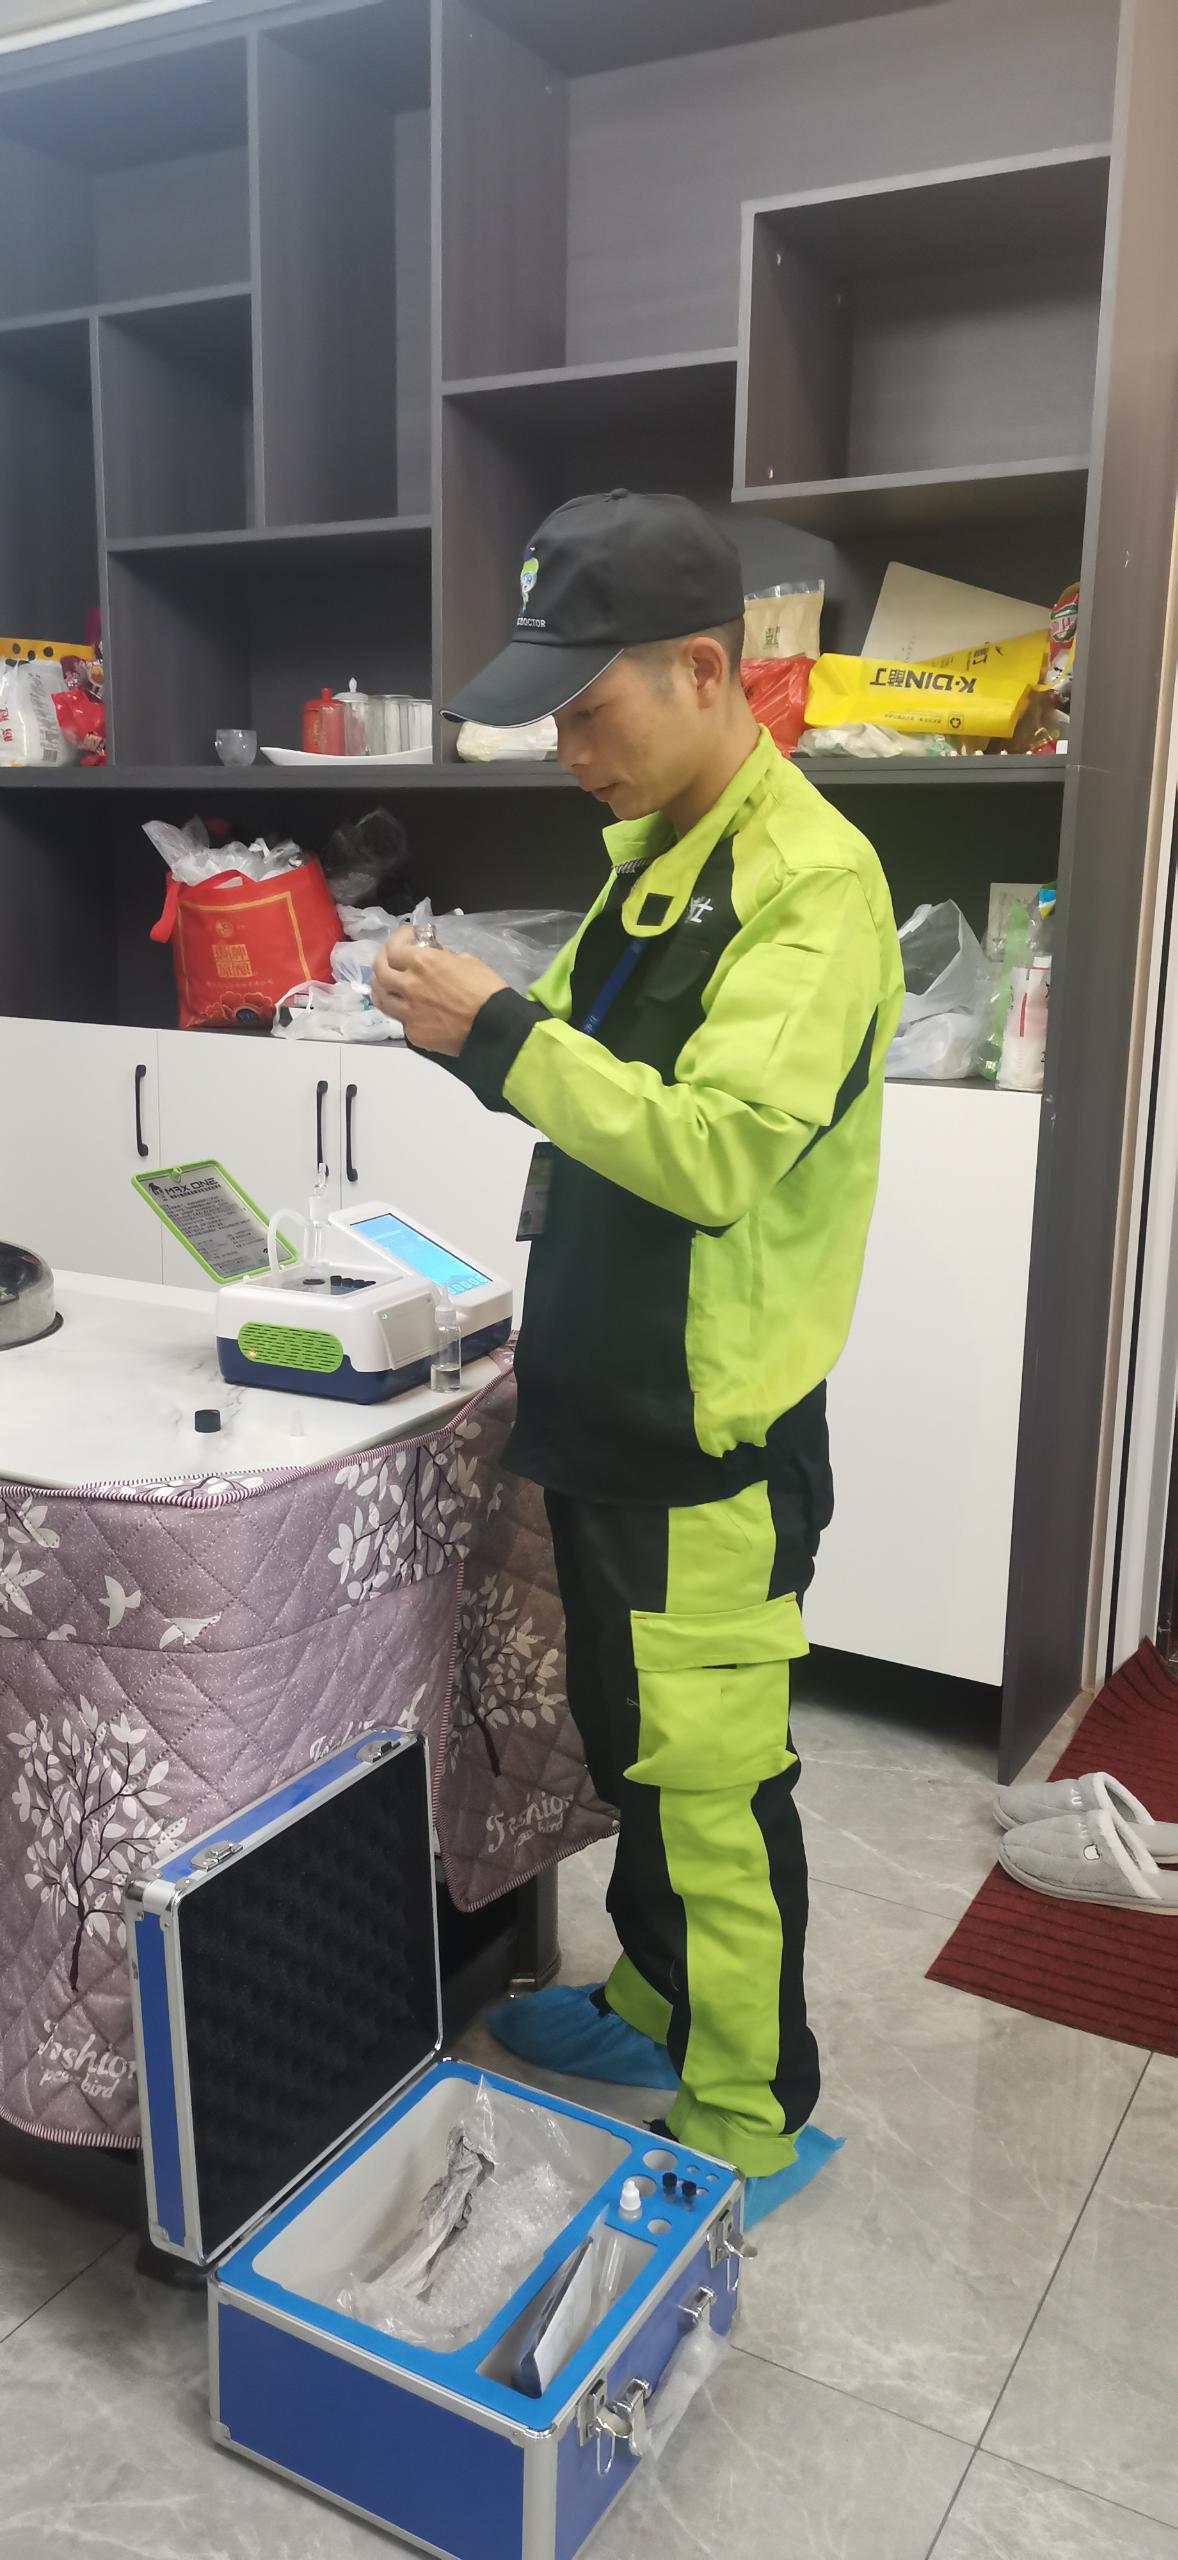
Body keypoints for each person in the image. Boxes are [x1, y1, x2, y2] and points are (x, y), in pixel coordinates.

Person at [372, 490, 903, 2227]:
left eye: (588, 711)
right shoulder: (659, 852)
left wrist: (500, 1035)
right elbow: (611, 1102)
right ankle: (656, 2003)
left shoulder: (807, 885)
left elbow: (719, 1150)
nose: (566, 751)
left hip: (706, 1433)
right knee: (632, 1747)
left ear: (704, 669)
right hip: (602, 1393)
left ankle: (748, 2106)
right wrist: (492, 1037)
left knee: (714, 1783)